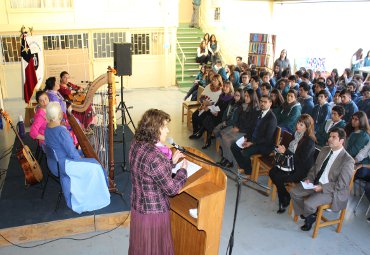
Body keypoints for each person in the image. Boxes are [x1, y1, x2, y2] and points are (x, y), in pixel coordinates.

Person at [128, 109, 188, 255]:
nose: (167, 130)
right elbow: (172, 189)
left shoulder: (136, 144)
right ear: (155, 130)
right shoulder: (155, 156)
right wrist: (183, 171)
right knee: (155, 248)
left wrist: (170, 162)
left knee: (142, 247)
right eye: (164, 127)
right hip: (154, 214)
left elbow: (148, 172)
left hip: (138, 208)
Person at [44, 102, 110, 214]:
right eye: (60, 110)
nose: (62, 112)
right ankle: (100, 194)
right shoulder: (61, 131)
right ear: (58, 115)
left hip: (54, 163)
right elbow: (73, 155)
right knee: (96, 165)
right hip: (64, 165)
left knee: (90, 159)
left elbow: (62, 149)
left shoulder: (48, 128)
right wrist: (81, 153)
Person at [290, 127, 354, 231]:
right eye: (330, 136)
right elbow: (315, 167)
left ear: (341, 141)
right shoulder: (325, 149)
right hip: (315, 183)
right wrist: (309, 179)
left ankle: (308, 215)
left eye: (334, 137)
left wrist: (322, 187)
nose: (330, 139)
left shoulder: (347, 160)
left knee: (308, 203)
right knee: (294, 192)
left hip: (331, 190)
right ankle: (309, 215)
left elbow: (341, 184)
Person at [269, 114, 316, 214]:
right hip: (290, 163)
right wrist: (282, 150)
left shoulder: (309, 141)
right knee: (272, 172)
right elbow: (291, 151)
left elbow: (301, 160)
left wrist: (286, 152)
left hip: (300, 170)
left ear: (307, 127)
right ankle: (285, 196)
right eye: (298, 123)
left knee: (278, 177)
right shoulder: (296, 134)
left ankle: (283, 199)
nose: (298, 126)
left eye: (302, 125)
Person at [231, 94, 277, 175]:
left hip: (263, 144)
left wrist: (251, 143)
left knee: (245, 153)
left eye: (265, 102)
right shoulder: (258, 112)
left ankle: (249, 172)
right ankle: (244, 166)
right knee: (234, 146)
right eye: (261, 101)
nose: (262, 103)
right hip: (253, 139)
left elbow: (267, 138)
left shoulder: (272, 118)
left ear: (270, 103)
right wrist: (246, 138)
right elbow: (250, 128)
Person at [218, 89, 259, 168]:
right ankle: (225, 158)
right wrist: (236, 126)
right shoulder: (244, 106)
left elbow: (250, 126)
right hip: (240, 129)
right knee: (223, 135)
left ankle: (230, 161)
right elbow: (238, 119)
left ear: (252, 97)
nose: (246, 98)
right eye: (245, 96)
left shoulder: (255, 109)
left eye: (248, 96)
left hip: (246, 133)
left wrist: (239, 129)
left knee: (228, 140)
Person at [201, 81, 234, 149]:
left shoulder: (231, 98)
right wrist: (213, 110)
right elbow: (216, 105)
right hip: (216, 113)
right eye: (224, 86)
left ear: (230, 88)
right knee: (208, 115)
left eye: (227, 87)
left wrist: (217, 112)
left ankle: (206, 137)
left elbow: (227, 111)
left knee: (209, 119)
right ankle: (208, 139)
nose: (225, 88)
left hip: (223, 117)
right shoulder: (221, 96)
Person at [189, 74, 223, 139]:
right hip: (203, 105)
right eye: (212, 80)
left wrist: (209, 104)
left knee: (202, 118)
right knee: (194, 115)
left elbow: (217, 103)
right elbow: (201, 96)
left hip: (211, 109)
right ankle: (195, 132)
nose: (213, 81)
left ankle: (199, 133)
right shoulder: (208, 86)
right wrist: (203, 101)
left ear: (219, 81)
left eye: (215, 80)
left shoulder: (221, 91)